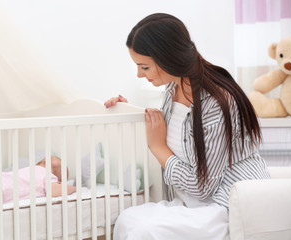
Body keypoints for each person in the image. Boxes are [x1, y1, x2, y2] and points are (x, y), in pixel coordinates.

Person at [105, 13, 270, 240]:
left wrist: (158, 148)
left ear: (167, 58)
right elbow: (176, 130)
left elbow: (203, 187)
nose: (138, 74)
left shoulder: (217, 101)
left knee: (144, 231)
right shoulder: (173, 90)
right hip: (192, 204)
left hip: (226, 205)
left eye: (144, 67)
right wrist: (129, 111)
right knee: (128, 220)